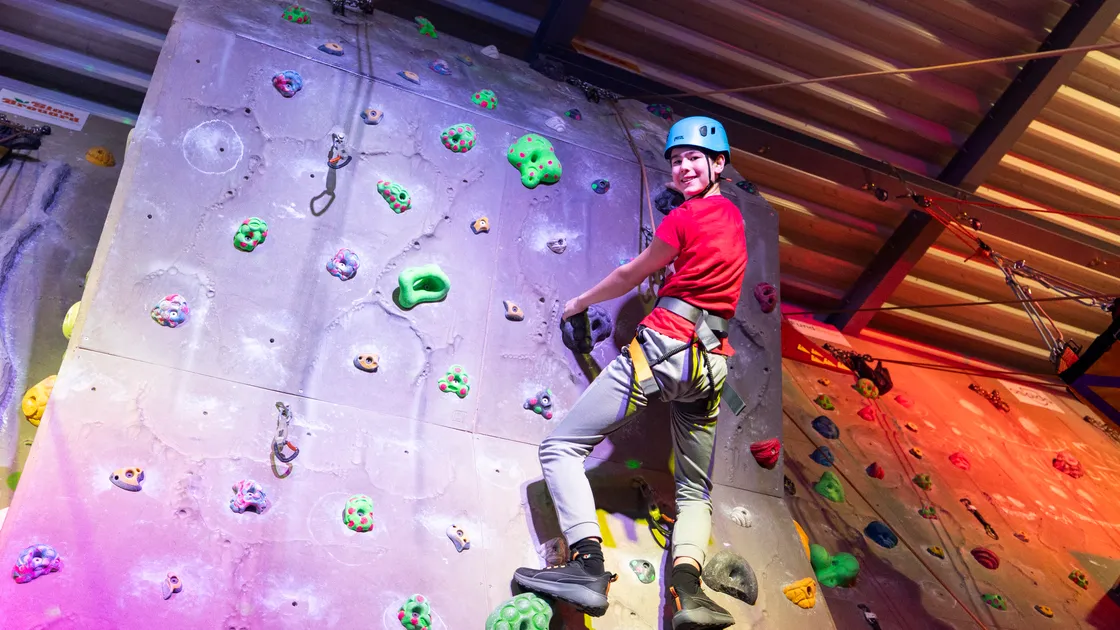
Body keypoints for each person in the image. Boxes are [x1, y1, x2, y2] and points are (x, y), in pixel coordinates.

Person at [512, 116, 748, 629]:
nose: (683, 168)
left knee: (559, 449)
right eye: (676, 161)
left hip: (664, 346)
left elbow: (629, 274)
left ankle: (586, 567)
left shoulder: (684, 218)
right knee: (694, 491)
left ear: (719, 164)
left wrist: (578, 303)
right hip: (711, 364)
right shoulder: (734, 219)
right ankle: (690, 594)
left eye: (694, 158)